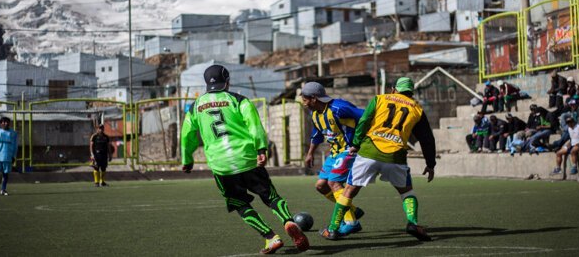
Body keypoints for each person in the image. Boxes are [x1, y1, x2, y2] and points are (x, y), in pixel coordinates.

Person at [181, 64, 309, 254]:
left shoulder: (195, 107)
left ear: (207, 84)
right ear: (227, 81)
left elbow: (187, 135)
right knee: (271, 197)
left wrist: (187, 159)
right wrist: (261, 148)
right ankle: (288, 221)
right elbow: (254, 125)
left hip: (221, 166)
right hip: (247, 159)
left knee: (239, 203)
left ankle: (270, 237)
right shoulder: (239, 100)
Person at [320, 77, 436, 242]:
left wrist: (356, 143)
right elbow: (426, 138)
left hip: (369, 152)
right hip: (396, 156)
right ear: (411, 92)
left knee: (349, 191)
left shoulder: (379, 99)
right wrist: (430, 164)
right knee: (407, 192)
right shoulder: (417, 108)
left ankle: (332, 229)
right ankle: (413, 223)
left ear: (394, 89)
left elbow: (364, 121)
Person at [300, 81, 365, 235]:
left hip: (349, 151)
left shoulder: (339, 108)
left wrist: (361, 141)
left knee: (333, 182)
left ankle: (351, 222)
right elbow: (317, 135)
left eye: (305, 100)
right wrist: (310, 153)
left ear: (314, 98)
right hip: (334, 153)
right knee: (321, 186)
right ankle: (352, 210)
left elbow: (365, 116)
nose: (304, 103)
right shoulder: (315, 115)